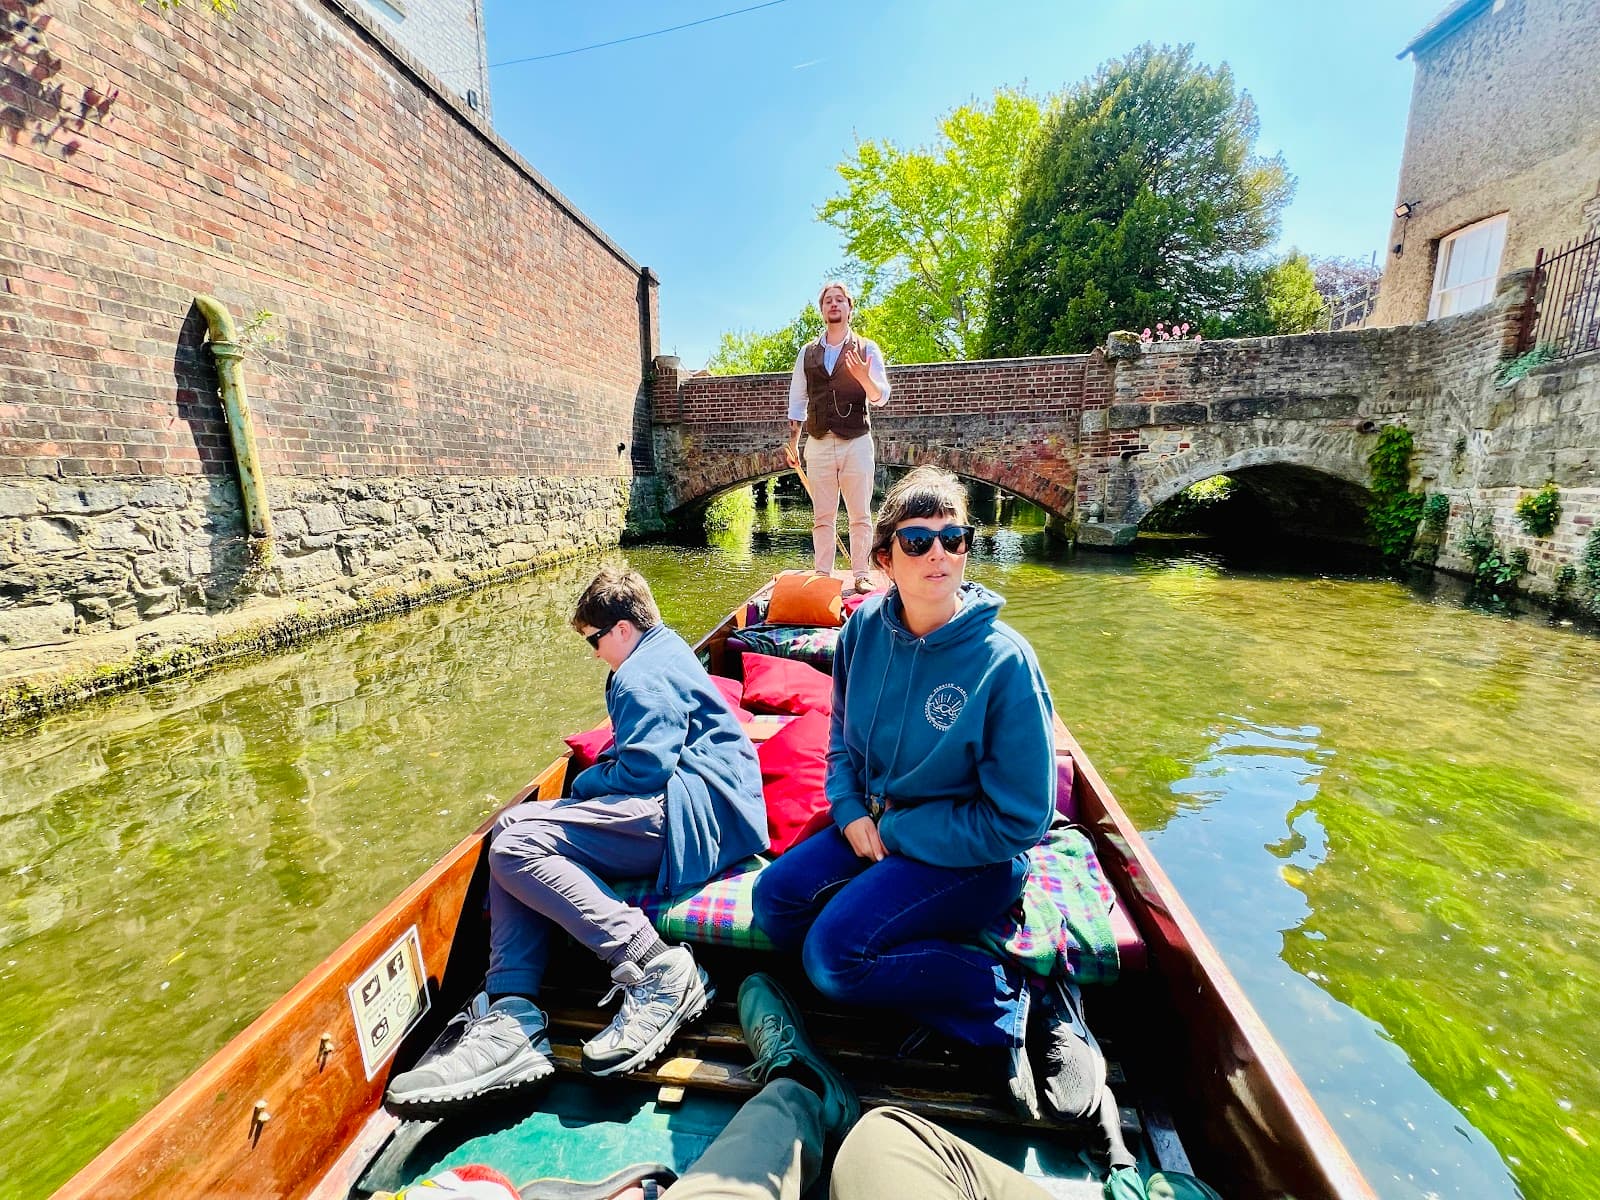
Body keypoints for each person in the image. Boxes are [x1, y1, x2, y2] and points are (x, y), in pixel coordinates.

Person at [751, 466, 1103, 1119]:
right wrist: (852, 811)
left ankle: (1012, 997)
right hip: (882, 829)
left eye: (954, 537)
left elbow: (1022, 820)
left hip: (978, 858)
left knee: (832, 959)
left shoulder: (1005, 661)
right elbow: (839, 743)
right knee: (774, 901)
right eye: (918, 541)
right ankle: (935, 969)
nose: (938, 552)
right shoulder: (860, 633)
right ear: (885, 557)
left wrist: (900, 831)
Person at [385, 566, 769, 1115]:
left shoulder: (640, 675)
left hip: (693, 817)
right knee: (511, 829)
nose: (594, 655)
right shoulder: (665, 648)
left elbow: (642, 769)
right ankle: (511, 1006)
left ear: (619, 629)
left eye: (593, 641)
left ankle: (658, 967)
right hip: (711, 807)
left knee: (517, 848)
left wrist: (585, 784)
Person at [784, 281, 891, 591]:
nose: (834, 304)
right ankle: (822, 575)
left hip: (856, 441)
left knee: (860, 514)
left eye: (839, 300)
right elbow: (797, 400)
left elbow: (880, 396)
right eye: (828, 301)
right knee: (822, 515)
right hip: (818, 442)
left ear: (849, 308)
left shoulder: (867, 348)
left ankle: (861, 574)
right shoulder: (807, 353)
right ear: (822, 310)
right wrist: (793, 442)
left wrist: (864, 378)